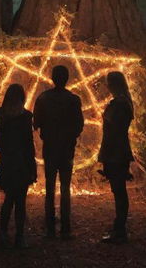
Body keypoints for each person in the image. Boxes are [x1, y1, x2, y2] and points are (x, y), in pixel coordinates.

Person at [33, 64, 84, 239]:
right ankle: (66, 227)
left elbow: (36, 123)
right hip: (67, 148)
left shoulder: (43, 99)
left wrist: (46, 132)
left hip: (50, 148)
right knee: (65, 186)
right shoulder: (73, 100)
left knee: (49, 186)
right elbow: (79, 125)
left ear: (52, 78)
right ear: (67, 78)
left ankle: (49, 226)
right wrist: (71, 135)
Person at [0, 83, 36, 249]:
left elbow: (2, 140)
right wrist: (31, 165)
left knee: (9, 199)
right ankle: (19, 236)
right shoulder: (26, 116)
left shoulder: (0, 114)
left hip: (7, 161)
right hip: (22, 162)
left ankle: (3, 234)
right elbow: (28, 142)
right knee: (20, 201)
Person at [98, 70, 134, 244]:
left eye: (109, 83)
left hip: (116, 153)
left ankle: (120, 230)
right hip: (116, 152)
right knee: (118, 190)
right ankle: (119, 228)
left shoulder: (120, 104)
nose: (108, 86)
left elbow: (115, 130)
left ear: (115, 84)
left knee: (119, 191)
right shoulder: (123, 103)